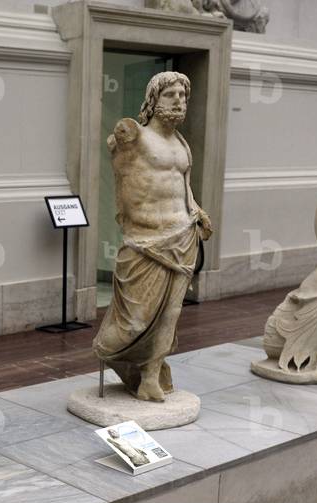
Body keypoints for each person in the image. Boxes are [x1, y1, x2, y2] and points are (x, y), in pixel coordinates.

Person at [93, 72, 213, 403]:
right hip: (145, 242)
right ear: (153, 100)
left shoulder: (182, 144)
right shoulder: (136, 136)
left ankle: (150, 376)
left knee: (171, 316)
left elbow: (183, 187)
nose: (179, 101)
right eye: (170, 95)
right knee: (135, 322)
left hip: (183, 236)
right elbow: (119, 149)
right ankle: (110, 352)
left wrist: (198, 212)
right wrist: (120, 140)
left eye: (183, 96)